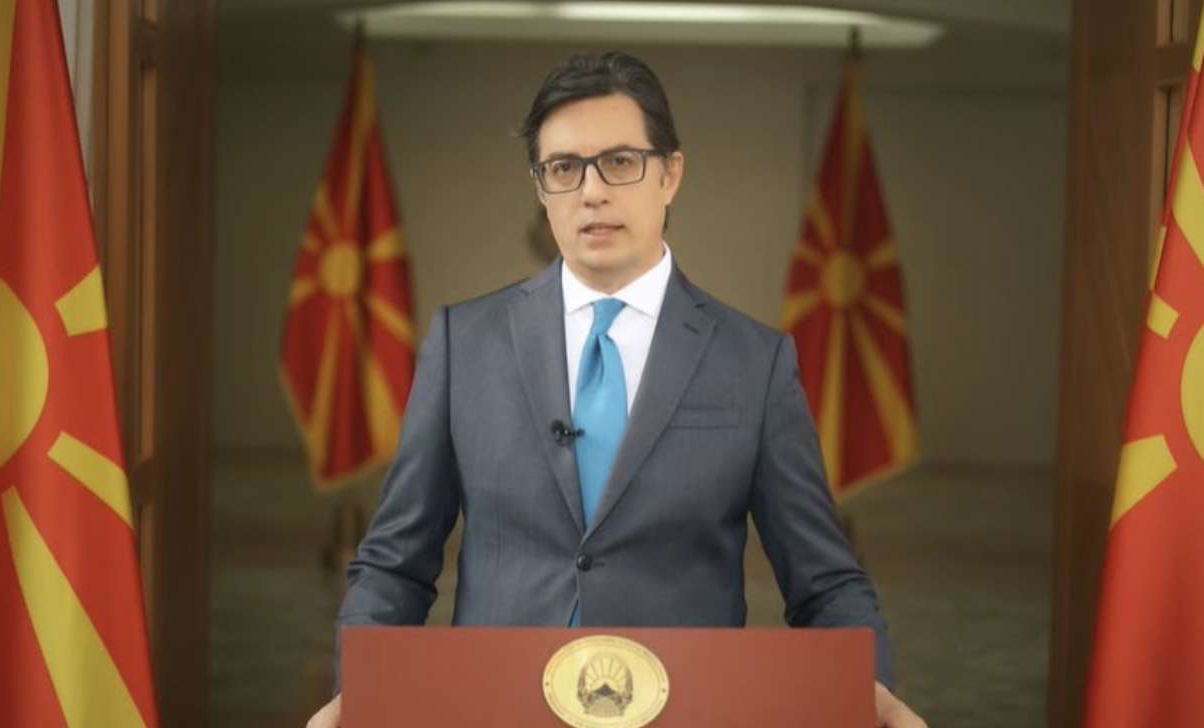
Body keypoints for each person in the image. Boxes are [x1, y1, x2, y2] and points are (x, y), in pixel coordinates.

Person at [308, 51, 925, 728]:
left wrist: (870, 695)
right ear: (541, 188)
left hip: (688, 714)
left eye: (620, 162)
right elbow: (395, 564)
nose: (592, 192)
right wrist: (358, 693)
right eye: (563, 169)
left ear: (670, 174)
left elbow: (823, 581)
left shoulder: (755, 362)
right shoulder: (465, 345)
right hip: (499, 710)